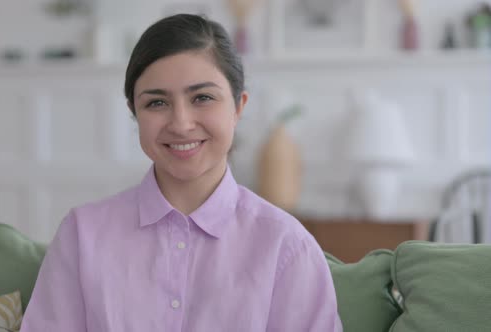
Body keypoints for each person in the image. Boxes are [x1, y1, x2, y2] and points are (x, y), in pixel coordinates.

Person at [21, 14, 342, 331]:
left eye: (202, 98)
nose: (181, 123)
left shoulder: (286, 245)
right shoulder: (82, 235)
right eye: (157, 103)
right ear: (135, 114)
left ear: (238, 107)